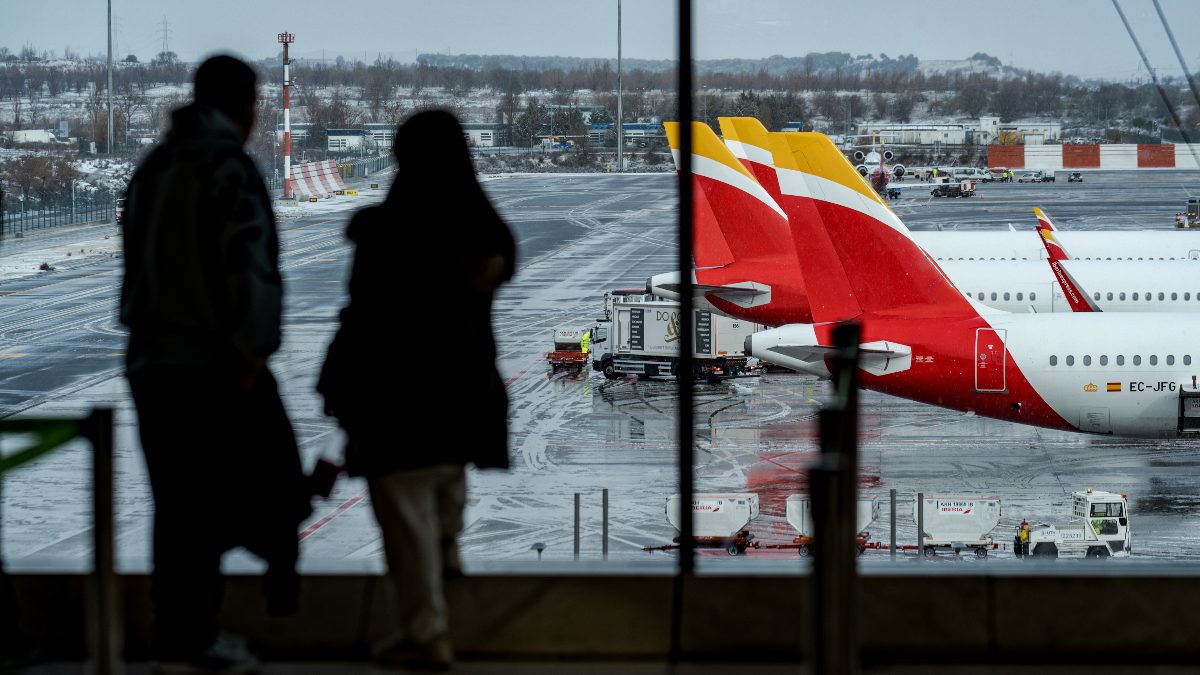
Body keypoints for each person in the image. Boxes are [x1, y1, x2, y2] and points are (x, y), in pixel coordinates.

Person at [120, 55, 311, 673]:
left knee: (175, 505)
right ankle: (207, 630)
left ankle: (176, 633)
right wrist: (252, 355)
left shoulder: (154, 165)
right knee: (256, 488)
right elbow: (250, 268)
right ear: (247, 103)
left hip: (150, 361)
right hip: (212, 364)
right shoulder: (227, 167)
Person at [318, 110, 515, 672]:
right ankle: (447, 613)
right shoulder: (481, 235)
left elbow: (362, 318)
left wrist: (334, 384)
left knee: (406, 522)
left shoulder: (387, 233)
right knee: (441, 508)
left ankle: (426, 636)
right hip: (461, 395)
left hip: (395, 399)